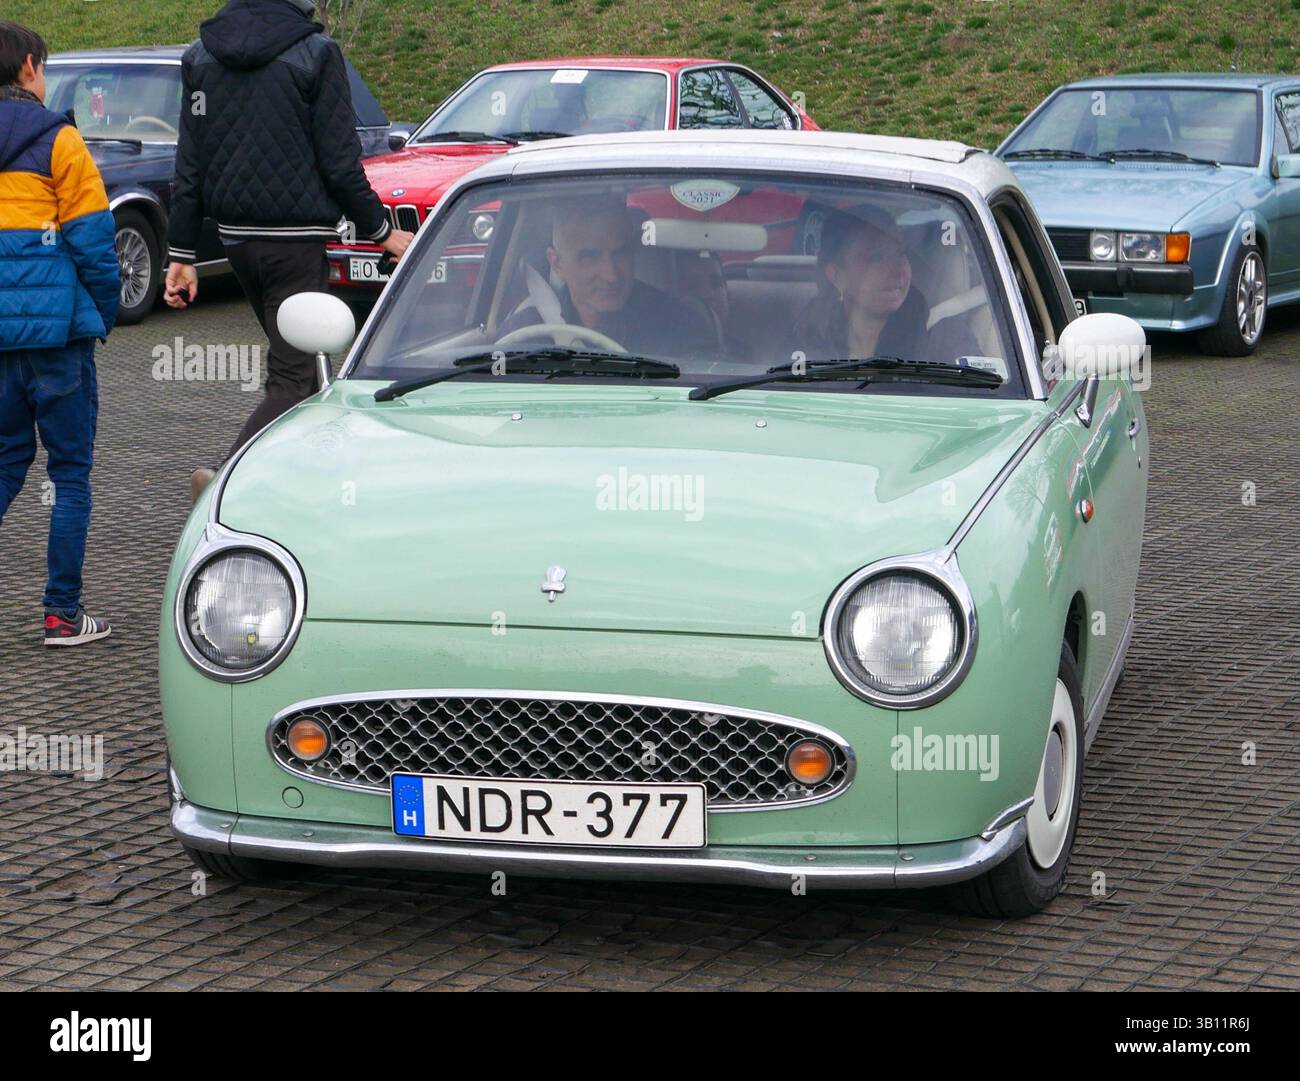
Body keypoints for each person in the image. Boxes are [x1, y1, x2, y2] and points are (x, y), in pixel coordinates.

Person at [162, 0, 413, 502]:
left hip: (236, 241)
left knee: (298, 371)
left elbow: (189, 162)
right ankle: (227, 485)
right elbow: (340, 162)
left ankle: (298, 486)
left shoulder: (200, 56)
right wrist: (383, 231)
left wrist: (182, 254)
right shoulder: (317, 54)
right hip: (294, 241)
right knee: (296, 378)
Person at [0, 21, 119, 646]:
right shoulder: (60, 141)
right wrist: (102, 312)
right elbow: (95, 243)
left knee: (3, 465)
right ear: (27, 67)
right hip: (58, 341)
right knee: (69, 475)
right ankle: (61, 615)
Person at [499, 200, 713, 357]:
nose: (611, 275)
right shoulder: (525, 334)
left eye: (620, 253)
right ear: (557, 264)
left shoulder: (678, 326)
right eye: (590, 257)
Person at [781, 206, 976, 366]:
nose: (898, 271)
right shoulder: (810, 332)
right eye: (876, 258)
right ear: (837, 276)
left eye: (901, 253)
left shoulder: (942, 337)